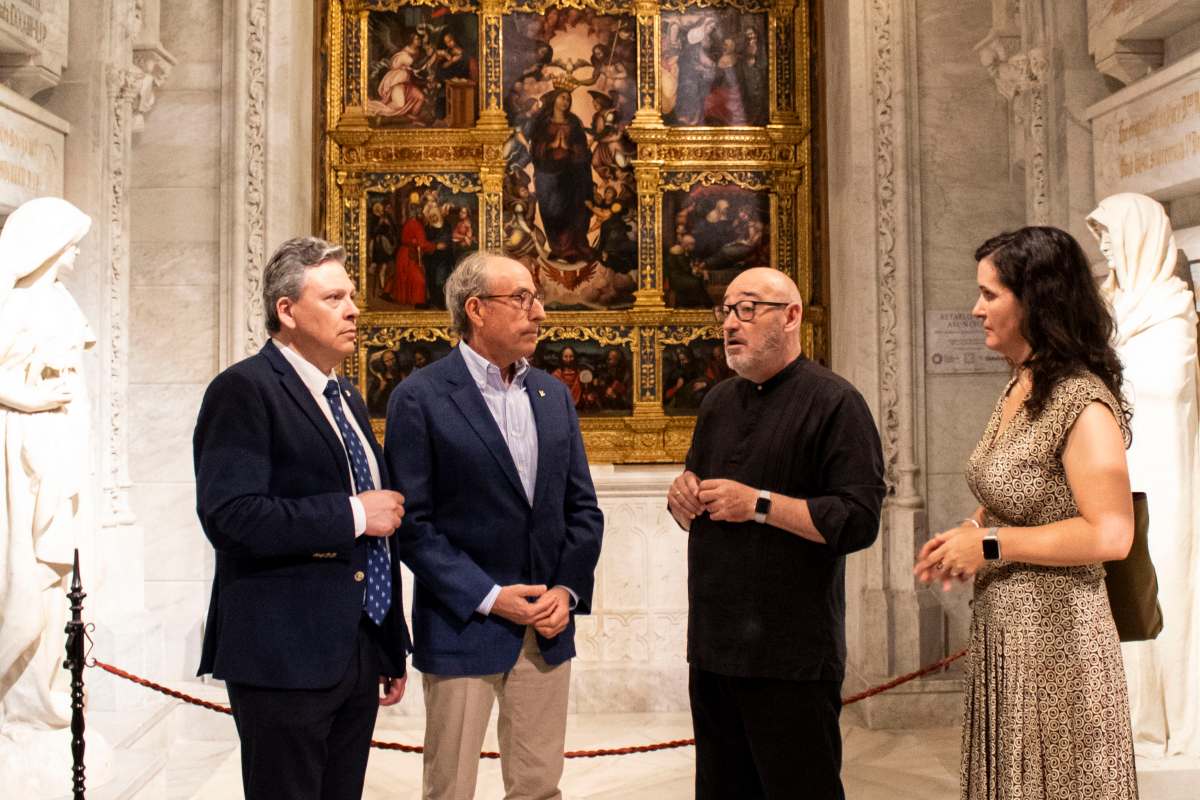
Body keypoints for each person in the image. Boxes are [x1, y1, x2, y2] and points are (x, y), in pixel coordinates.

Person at [914, 226, 1139, 799]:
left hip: (1061, 644)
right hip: (1009, 635)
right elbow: (1017, 492)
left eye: (990, 295)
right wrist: (969, 532)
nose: (976, 309)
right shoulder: (1023, 382)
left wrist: (989, 546)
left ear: (1036, 300)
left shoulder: (1081, 399)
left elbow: (1112, 534)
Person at [194, 237, 411, 800]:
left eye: (352, 296)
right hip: (283, 655)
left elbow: (378, 541)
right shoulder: (243, 389)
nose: (353, 309)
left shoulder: (348, 398)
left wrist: (387, 643)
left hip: (356, 650)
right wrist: (352, 513)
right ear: (286, 311)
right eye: (334, 296)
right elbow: (231, 516)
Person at [385, 251, 603, 800]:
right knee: (450, 788)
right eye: (524, 298)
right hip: (463, 624)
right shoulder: (421, 397)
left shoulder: (553, 396)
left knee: (538, 786)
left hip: (546, 628)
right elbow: (414, 525)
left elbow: (582, 509)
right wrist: (488, 596)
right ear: (476, 309)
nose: (540, 312)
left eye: (537, 299)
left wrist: (566, 590)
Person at [668, 267, 885, 799]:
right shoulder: (718, 402)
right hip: (715, 648)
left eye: (748, 308)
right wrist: (682, 498)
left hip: (791, 656)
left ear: (791, 317)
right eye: (726, 309)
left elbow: (858, 520)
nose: (730, 323)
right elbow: (695, 497)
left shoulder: (835, 402)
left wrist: (759, 505)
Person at [1087, 193, 1200, 758]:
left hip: (1162, 467)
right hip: (1116, 468)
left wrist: (1104, 371)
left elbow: (1164, 386)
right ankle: (1135, 723)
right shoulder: (1107, 303)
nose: (1102, 243)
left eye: (1109, 231)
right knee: (1126, 590)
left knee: (1168, 585)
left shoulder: (1172, 306)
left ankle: (1176, 723)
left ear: (1139, 234)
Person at [0, 198, 93, 751]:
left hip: (56, 449)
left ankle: (46, 694)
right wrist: (29, 399)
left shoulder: (60, 301)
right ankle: (20, 696)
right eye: (71, 243)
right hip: (18, 448)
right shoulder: (9, 304)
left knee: (57, 580)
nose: (77, 253)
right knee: (24, 570)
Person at [527, 88, 595, 263]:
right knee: (551, 209)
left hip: (571, 174)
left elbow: (582, 149)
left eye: (568, 99)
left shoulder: (573, 123)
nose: (565, 102)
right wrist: (550, 146)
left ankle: (572, 247)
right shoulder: (542, 123)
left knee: (572, 209)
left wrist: (568, 148)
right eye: (562, 98)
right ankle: (558, 247)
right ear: (554, 100)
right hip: (547, 174)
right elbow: (535, 149)